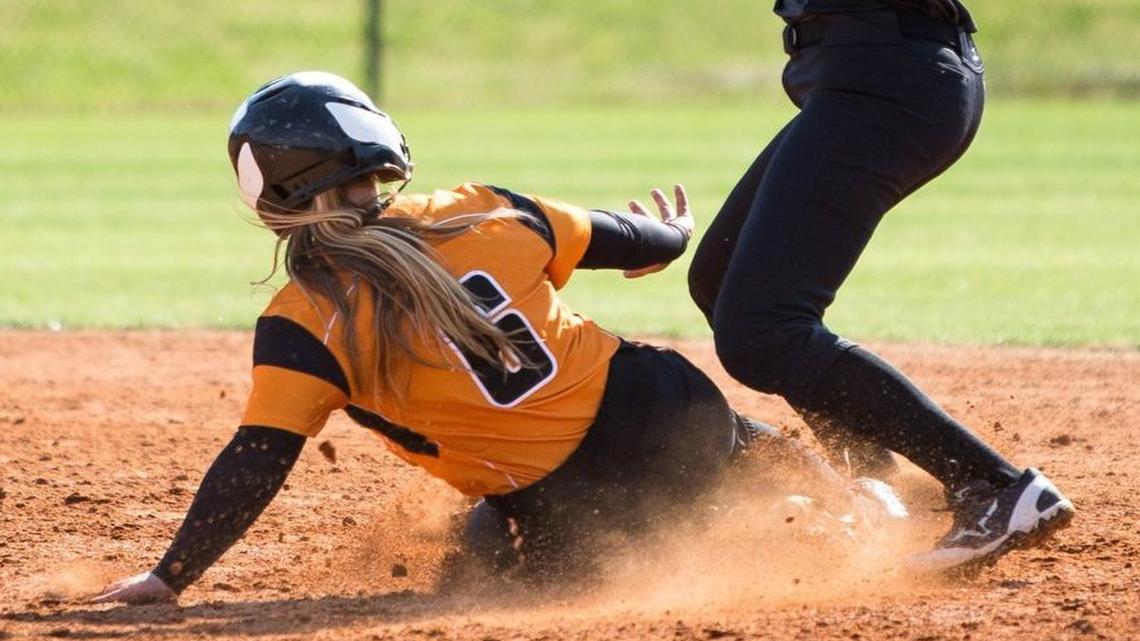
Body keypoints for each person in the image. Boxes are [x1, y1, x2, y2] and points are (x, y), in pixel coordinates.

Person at [90, 71, 891, 604]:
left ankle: (765, 520)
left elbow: (256, 461)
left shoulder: (302, 322)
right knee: (718, 431)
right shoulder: (480, 206)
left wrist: (171, 575)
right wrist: (674, 232)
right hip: (669, 414)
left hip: (564, 508)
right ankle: (851, 501)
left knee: (488, 559)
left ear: (267, 187)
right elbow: (644, 242)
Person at [686, 1, 1075, 572]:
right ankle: (873, 480)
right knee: (720, 281)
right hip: (869, 77)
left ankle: (990, 485)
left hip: (887, 82)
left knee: (762, 331)